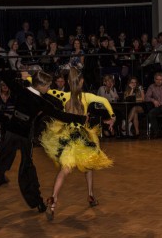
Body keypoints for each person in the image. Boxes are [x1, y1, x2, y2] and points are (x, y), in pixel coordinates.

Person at [0, 70, 87, 213]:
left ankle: (36, 201)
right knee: (9, 166)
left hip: (21, 135)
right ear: (40, 85)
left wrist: (80, 119)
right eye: (48, 86)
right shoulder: (30, 95)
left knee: (25, 169)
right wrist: (21, 73)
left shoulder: (35, 97)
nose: (49, 89)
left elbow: (60, 114)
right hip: (14, 134)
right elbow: (3, 74)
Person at [40, 67, 115, 221]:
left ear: (67, 82)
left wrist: (28, 78)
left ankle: (53, 201)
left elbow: (44, 90)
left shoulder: (63, 95)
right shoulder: (87, 96)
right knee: (88, 165)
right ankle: (90, 195)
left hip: (67, 137)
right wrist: (112, 116)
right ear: (82, 81)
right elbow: (105, 100)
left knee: (65, 170)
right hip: (82, 136)